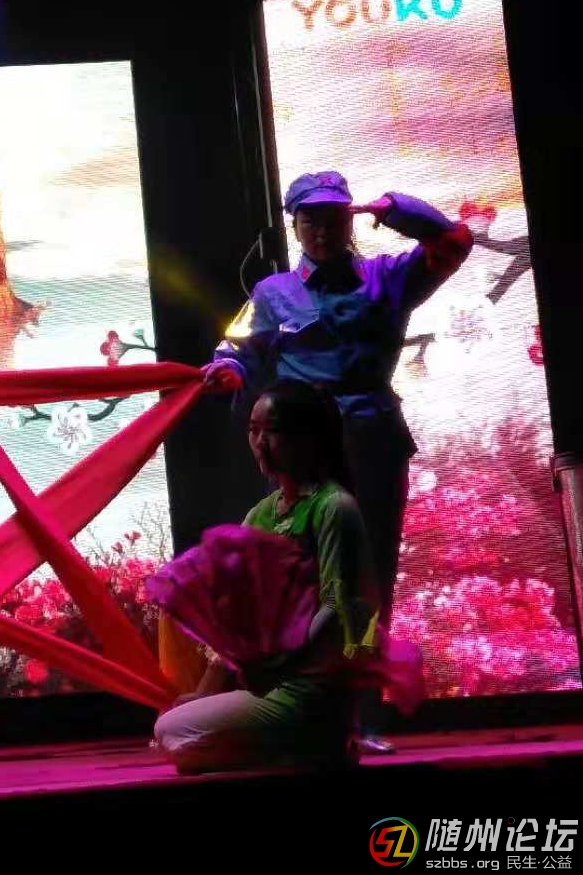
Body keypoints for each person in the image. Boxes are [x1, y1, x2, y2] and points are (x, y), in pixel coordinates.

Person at [203, 171, 472, 752]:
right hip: (304, 451)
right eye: (311, 221)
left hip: (373, 441)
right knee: (297, 580)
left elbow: (453, 241)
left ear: (349, 222)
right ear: (294, 226)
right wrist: (228, 372)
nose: (322, 231)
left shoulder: (387, 277)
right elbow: (236, 349)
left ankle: (362, 718)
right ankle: (300, 711)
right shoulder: (273, 292)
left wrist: (390, 206)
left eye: (333, 218)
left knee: (367, 580)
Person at [154, 380, 380, 773]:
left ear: (308, 437)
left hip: (311, 686)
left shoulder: (334, 507)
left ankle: (322, 739)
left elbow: (336, 607)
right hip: (269, 685)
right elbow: (234, 617)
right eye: (253, 430)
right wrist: (205, 693)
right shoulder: (260, 514)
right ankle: (301, 750)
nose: (260, 443)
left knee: (178, 736)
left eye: (272, 431)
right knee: (171, 730)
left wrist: (279, 666)